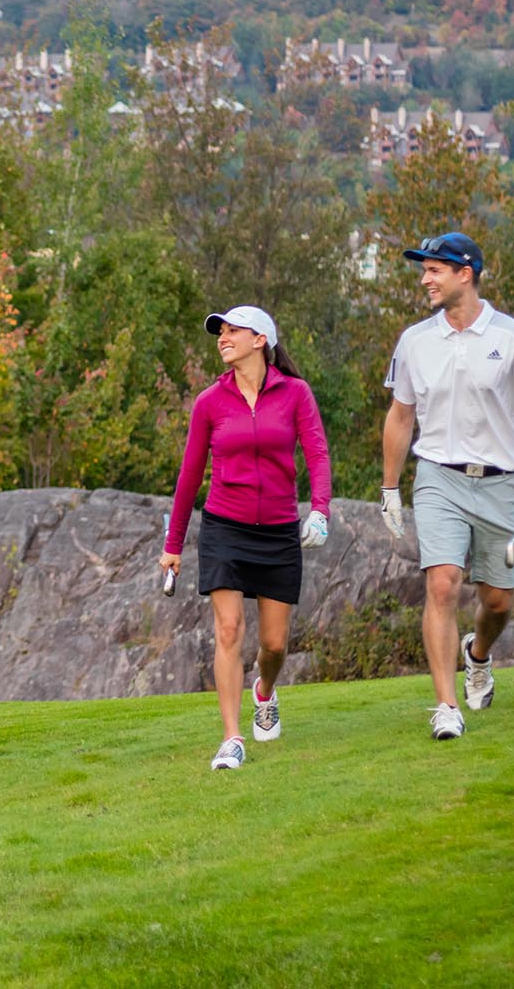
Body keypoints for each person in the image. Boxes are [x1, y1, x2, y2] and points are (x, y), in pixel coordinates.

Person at [379, 232, 514, 741]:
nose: (425, 279)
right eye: (423, 270)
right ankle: (444, 706)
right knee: (441, 584)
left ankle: (477, 654)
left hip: (502, 483)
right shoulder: (415, 341)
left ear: (466, 273)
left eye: (434, 269)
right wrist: (390, 488)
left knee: (499, 602)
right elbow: (400, 418)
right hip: (438, 477)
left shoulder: (513, 337)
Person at [160, 305, 334, 771]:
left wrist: (320, 509)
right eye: (220, 331)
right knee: (229, 629)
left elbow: (317, 454)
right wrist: (173, 544)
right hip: (224, 527)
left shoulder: (295, 394)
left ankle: (265, 691)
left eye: (233, 330)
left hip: (278, 531)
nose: (223, 338)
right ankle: (232, 738)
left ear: (261, 340)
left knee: (274, 645)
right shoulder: (209, 403)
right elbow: (190, 474)